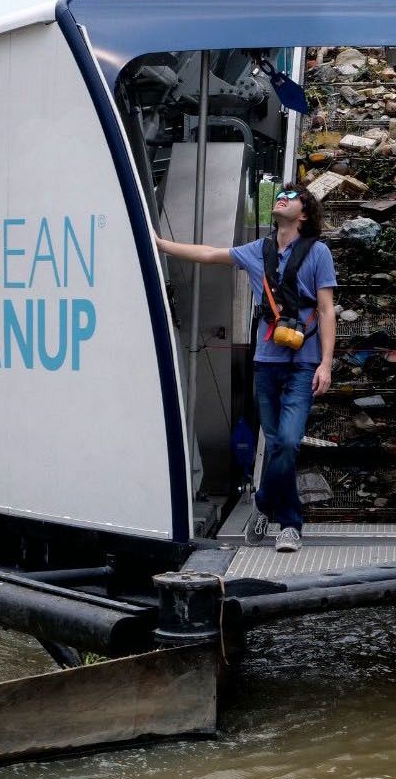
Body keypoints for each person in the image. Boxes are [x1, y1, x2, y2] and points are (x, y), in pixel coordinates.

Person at [154, 186, 337, 553]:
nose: (282, 197)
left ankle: (265, 502)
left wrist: (326, 364)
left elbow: (327, 309)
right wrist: (160, 244)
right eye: (280, 194)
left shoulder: (318, 252)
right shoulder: (258, 251)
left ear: (304, 213)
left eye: (291, 195)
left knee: (287, 441)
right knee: (273, 447)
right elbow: (208, 253)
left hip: (303, 363)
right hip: (266, 363)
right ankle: (289, 526)